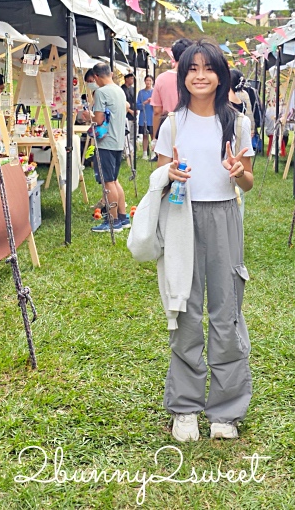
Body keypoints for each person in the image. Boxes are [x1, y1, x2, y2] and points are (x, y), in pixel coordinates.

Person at [154, 40, 255, 442]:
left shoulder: (239, 123)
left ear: (220, 75)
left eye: (208, 68)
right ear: (182, 76)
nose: (200, 75)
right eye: (191, 68)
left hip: (224, 216)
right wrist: (170, 177)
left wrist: (236, 172)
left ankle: (226, 411)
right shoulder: (172, 124)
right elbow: (158, 180)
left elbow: (248, 180)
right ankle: (185, 407)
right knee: (185, 309)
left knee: (226, 311)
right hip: (182, 218)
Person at [88, 63, 129, 233]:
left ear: (96, 77)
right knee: (114, 180)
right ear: (110, 74)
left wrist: (87, 116)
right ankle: (123, 216)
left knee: (108, 182)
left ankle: (112, 221)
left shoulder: (101, 92)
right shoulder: (119, 90)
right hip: (118, 141)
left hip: (106, 142)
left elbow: (98, 120)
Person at [150, 38, 192, 140]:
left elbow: (157, 111)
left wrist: (155, 138)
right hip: (191, 124)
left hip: (167, 125)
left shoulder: (161, 78)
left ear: (173, 55)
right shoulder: (195, 78)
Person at [136, 74, 155, 157]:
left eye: (150, 80)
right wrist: (145, 102)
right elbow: (137, 105)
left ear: (152, 82)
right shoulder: (141, 93)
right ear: (144, 81)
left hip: (153, 116)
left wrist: (153, 102)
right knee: (145, 135)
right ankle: (144, 153)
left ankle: (153, 152)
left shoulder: (155, 92)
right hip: (144, 117)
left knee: (153, 136)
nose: (148, 82)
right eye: (147, 80)